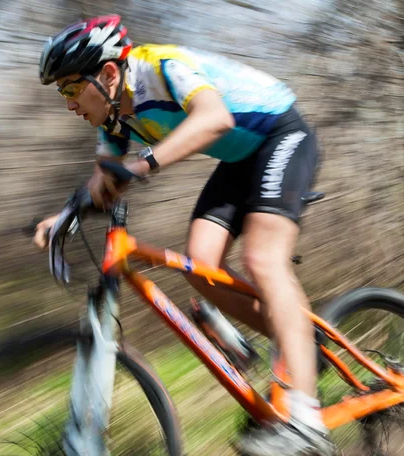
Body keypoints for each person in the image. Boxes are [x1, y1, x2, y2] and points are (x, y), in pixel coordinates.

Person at [33, 15, 334, 456]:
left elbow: (214, 118)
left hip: (282, 135)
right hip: (239, 161)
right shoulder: (114, 119)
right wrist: (62, 216)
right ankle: (301, 346)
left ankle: (308, 422)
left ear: (109, 74)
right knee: (200, 265)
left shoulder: (160, 66)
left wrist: (142, 164)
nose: (68, 103)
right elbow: (104, 183)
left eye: (70, 88)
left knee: (264, 260)